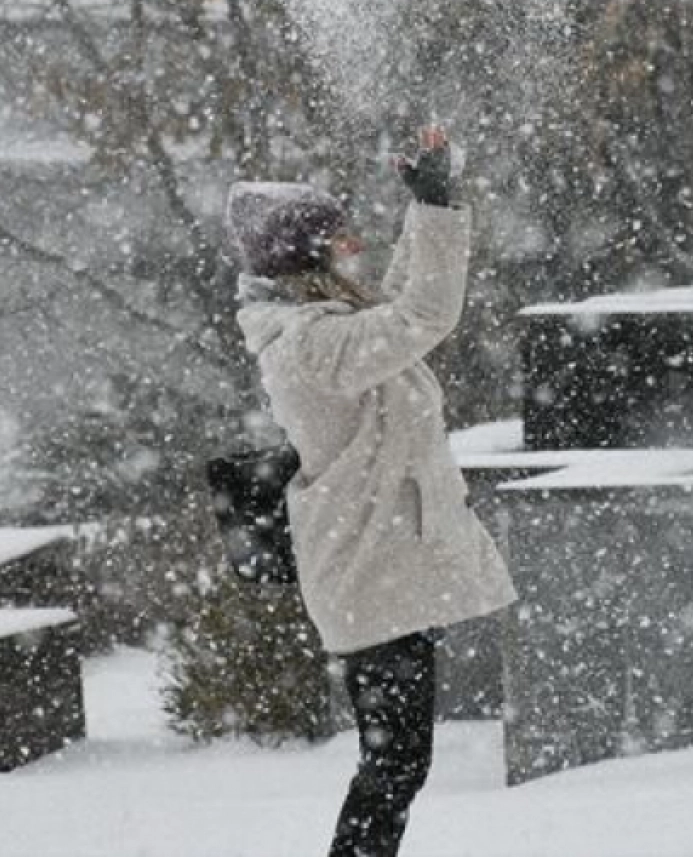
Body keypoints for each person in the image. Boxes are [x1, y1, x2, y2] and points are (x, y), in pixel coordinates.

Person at [227, 126, 517, 857]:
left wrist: (429, 206)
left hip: (381, 567)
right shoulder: (310, 346)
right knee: (394, 764)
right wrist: (439, 206)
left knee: (395, 763)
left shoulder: (330, 326)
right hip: (368, 574)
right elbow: (422, 315)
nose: (354, 243)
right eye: (340, 237)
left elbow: (396, 307)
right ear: (309, 258)